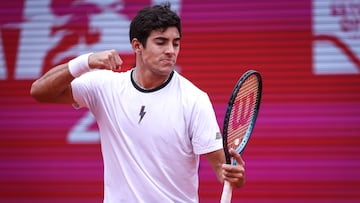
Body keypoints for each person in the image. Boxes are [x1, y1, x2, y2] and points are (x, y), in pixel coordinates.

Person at [30, 3, 245, 202]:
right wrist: (85, 61)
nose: (171, 50)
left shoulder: (194, 100)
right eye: (161, 42)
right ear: (137, 46)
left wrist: (236, 177)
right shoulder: (105, 86)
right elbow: (40, 91)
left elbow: (222, 170)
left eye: (175, 43)